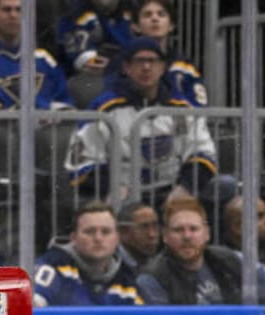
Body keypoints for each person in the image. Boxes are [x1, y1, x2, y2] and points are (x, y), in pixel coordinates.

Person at [65, 36, 217, 206]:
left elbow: (204, 152)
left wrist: (185, 188)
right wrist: (110, 189)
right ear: (127, 68)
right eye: (139, 61)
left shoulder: (182, 108)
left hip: (172, 193)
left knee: (225, 187)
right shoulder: (103, 109)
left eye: (152, 61)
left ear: (163, 67)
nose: (146, 67)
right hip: (122, 197)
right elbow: (82, 162)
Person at [137, 196, 265, 304]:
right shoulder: (152, 278)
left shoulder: (231, 260)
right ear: (165, 236)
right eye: (178, 230)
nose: (187, 236)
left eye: (194, 229)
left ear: (207, 234)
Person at [0, 0, 74, 109]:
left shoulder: (44, 59)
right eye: (6, 10)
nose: (13, 15)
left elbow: (63, 102)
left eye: (19, 10)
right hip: (0, 125)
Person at [32, 200, 143, 305]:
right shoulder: (53, 266)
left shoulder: (127, 281)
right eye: (89, 232)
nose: (98, 238)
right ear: (73, 238)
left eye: (106, 232)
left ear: (117, 238)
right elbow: (27, 308)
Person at [56, 0, 134, 106]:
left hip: (133, 74)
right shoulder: (75, 15)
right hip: (91, 80)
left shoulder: (135, 9)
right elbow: (92, 65)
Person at [128, 0, 205, 106]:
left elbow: (199, 108)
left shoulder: (185, 67)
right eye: (147, 15)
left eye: (161, 14)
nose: (155, 19)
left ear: (171, 25)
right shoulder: (126, 64)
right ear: (136, 26)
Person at [116, 199, 160, 265]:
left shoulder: (159, 265)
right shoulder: (108, 266)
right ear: (123, 232)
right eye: (144, 227)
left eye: (155, 226)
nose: (152, 235)